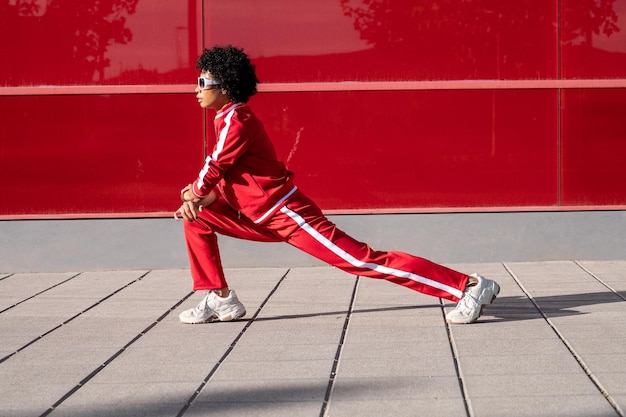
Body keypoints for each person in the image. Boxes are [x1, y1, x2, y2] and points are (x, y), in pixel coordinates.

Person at [175, 45, 500, 325]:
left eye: (203, 82)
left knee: (361, 260)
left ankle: (467, 286)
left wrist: (195, 192)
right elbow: (236, 175)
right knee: (197, 219)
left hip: (286, 213)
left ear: (226, 86)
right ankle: (220, 298)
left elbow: (216, 165)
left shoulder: (237, 119)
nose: (196, 89)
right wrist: (199, 201)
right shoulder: (226, 119)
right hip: (259, 214)